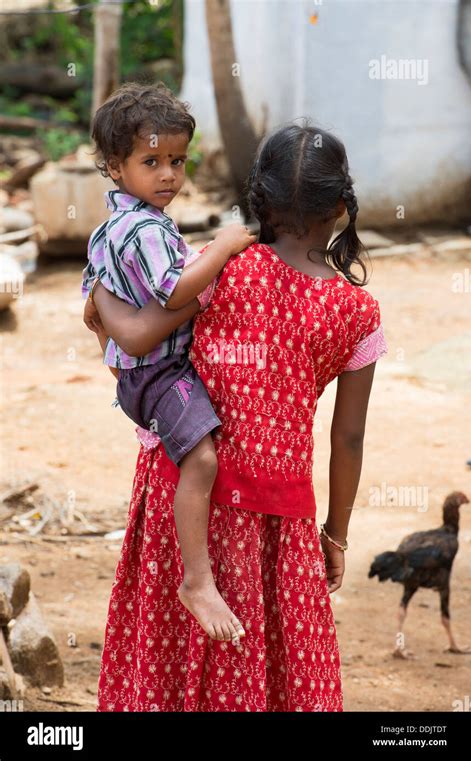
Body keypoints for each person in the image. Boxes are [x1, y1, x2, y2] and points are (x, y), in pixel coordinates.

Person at [84, 122, 388, 711]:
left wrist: (99, 308)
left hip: (181, 497)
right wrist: (336, 535)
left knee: (169, 674)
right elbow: (348, 438)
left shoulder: (219, 270)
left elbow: (142, 354)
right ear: (341, 207)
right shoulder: (357, 312)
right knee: (278, 676)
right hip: (281, 521)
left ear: (260, 199)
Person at [82, 82, 255, 645]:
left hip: (138, 372)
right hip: (159, 373)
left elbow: (97, 307)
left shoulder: (110, 227)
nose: (168, 176)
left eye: (176, 161)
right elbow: (176, 292)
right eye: (150, 161)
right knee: (202, 460)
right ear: (114, 167)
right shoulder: (148, 228)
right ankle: (198, 581)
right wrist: (224, 248)